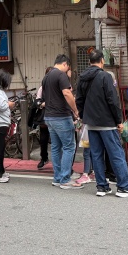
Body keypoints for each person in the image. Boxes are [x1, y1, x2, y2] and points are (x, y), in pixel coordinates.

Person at [76, 50, 128, 197]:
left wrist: (83, 116)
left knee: (96, 155)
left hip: (90, 123)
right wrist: (118, 121)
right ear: (102, 61)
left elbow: (79, 99)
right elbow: (112, 100)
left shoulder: (82, 78)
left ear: (89, 62)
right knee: (116, 154)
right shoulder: (105, 76)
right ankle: (124, 187)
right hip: (107, 122)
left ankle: (102, 187)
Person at [42, 55, 82, 189]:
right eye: (68, 67)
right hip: (61, 116)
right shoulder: (61, 75)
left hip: (49, 117)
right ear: (65, 64)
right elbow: (67, 93)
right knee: (69, 147)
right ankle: (65, 179)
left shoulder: (46, 76)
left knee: (55, 147)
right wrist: (75, 110)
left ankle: (57, 178)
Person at [34, 67, 52, 171]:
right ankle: (44, 158)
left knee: (57, 141)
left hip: (56, 116)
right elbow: (37, 102)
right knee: (43, 139)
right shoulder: (42, 88)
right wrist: (42, 104)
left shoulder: (59, 86)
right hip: (45, 117)